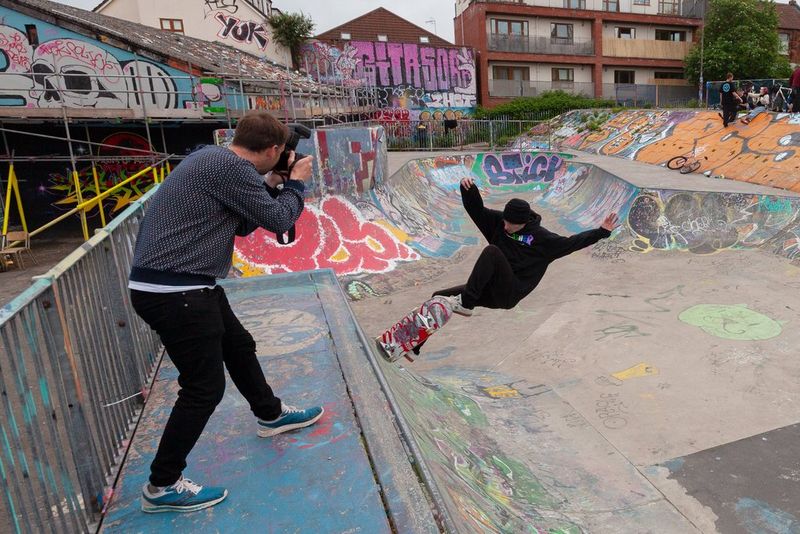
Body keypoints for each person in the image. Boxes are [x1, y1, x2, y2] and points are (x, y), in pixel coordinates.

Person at [128, 111, 323, 513]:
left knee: (238, 345)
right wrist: (297, 181)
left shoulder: (214, 159)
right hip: (176, 291)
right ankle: (161, 485)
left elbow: (241, 226)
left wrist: (271, 183)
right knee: (203, 389)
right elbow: (279, 218)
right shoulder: (228, 168)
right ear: (272, 149)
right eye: (281, 154)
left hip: (186, 285)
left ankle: (270, 414)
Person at [431, 176, 618, 318]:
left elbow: (572, 243)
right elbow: (477, 211)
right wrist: (469, 190)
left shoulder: (543, 239)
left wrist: (601, 231)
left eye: (510, 224)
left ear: (523, 223)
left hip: (509, 292)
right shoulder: (499, 222)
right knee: (438, 299)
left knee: (492, 252)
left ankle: (466, 303)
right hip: (489, 288)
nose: (505, 226)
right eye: (504, 221)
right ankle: (414, 344)